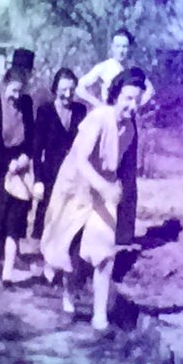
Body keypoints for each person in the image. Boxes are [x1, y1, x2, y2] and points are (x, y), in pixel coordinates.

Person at [40, 68, 145, 330]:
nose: (132, 106)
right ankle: (68, 292)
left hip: (103, 190)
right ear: (116, 96)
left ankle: (100, 316)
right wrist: (102, 186)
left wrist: (117, 192)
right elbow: (80, 160)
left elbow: (122, 168)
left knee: (104, 251)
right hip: (75, 186)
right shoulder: (98, 118)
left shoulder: (130, 130)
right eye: (128, 98)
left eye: (137, 100)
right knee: (69, 246)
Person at [76, 28, 153, 247]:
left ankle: (124, 235)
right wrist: (99, 104)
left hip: (128, 123)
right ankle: (99, 229)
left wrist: (136, 105)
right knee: (106, 172)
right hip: (108, 122)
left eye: (125, 46)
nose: (122, 50)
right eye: (118, 45)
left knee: (128, 178)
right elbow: (80, 87)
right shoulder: (104, 67)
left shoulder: (132, 71)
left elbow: (151, 90)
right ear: (112, 47)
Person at [0, 66, 35, 282]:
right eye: (13, 90)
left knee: (14, 222)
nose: (17, 96)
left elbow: (32, 138)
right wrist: (7, 162)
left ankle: (8, 273)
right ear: (4, 86)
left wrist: (24, 158)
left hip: (20, 172)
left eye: (20, 91)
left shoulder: (26, 105)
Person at [32, 68, 87, 240]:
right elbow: (36, 149)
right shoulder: (45, 111)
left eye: (71, 90)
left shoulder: (80, 110)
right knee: (46, 213)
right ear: (55, 89)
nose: (68, 94)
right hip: (50, 171)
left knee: (70, 213)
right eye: (63, 90)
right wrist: (38, 180)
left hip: (74, 171)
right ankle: (39, 248)